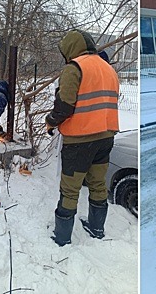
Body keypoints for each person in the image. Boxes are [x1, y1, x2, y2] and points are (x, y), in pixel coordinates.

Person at [45, 29, 119, 246]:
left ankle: (62, 237)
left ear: (70, 49)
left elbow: (65, 105)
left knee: (70, 187)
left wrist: (51, 121)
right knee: (97, 183)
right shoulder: (108, 69)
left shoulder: (74, 68)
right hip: (105, 137)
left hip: (79, 141)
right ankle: (97, 228)